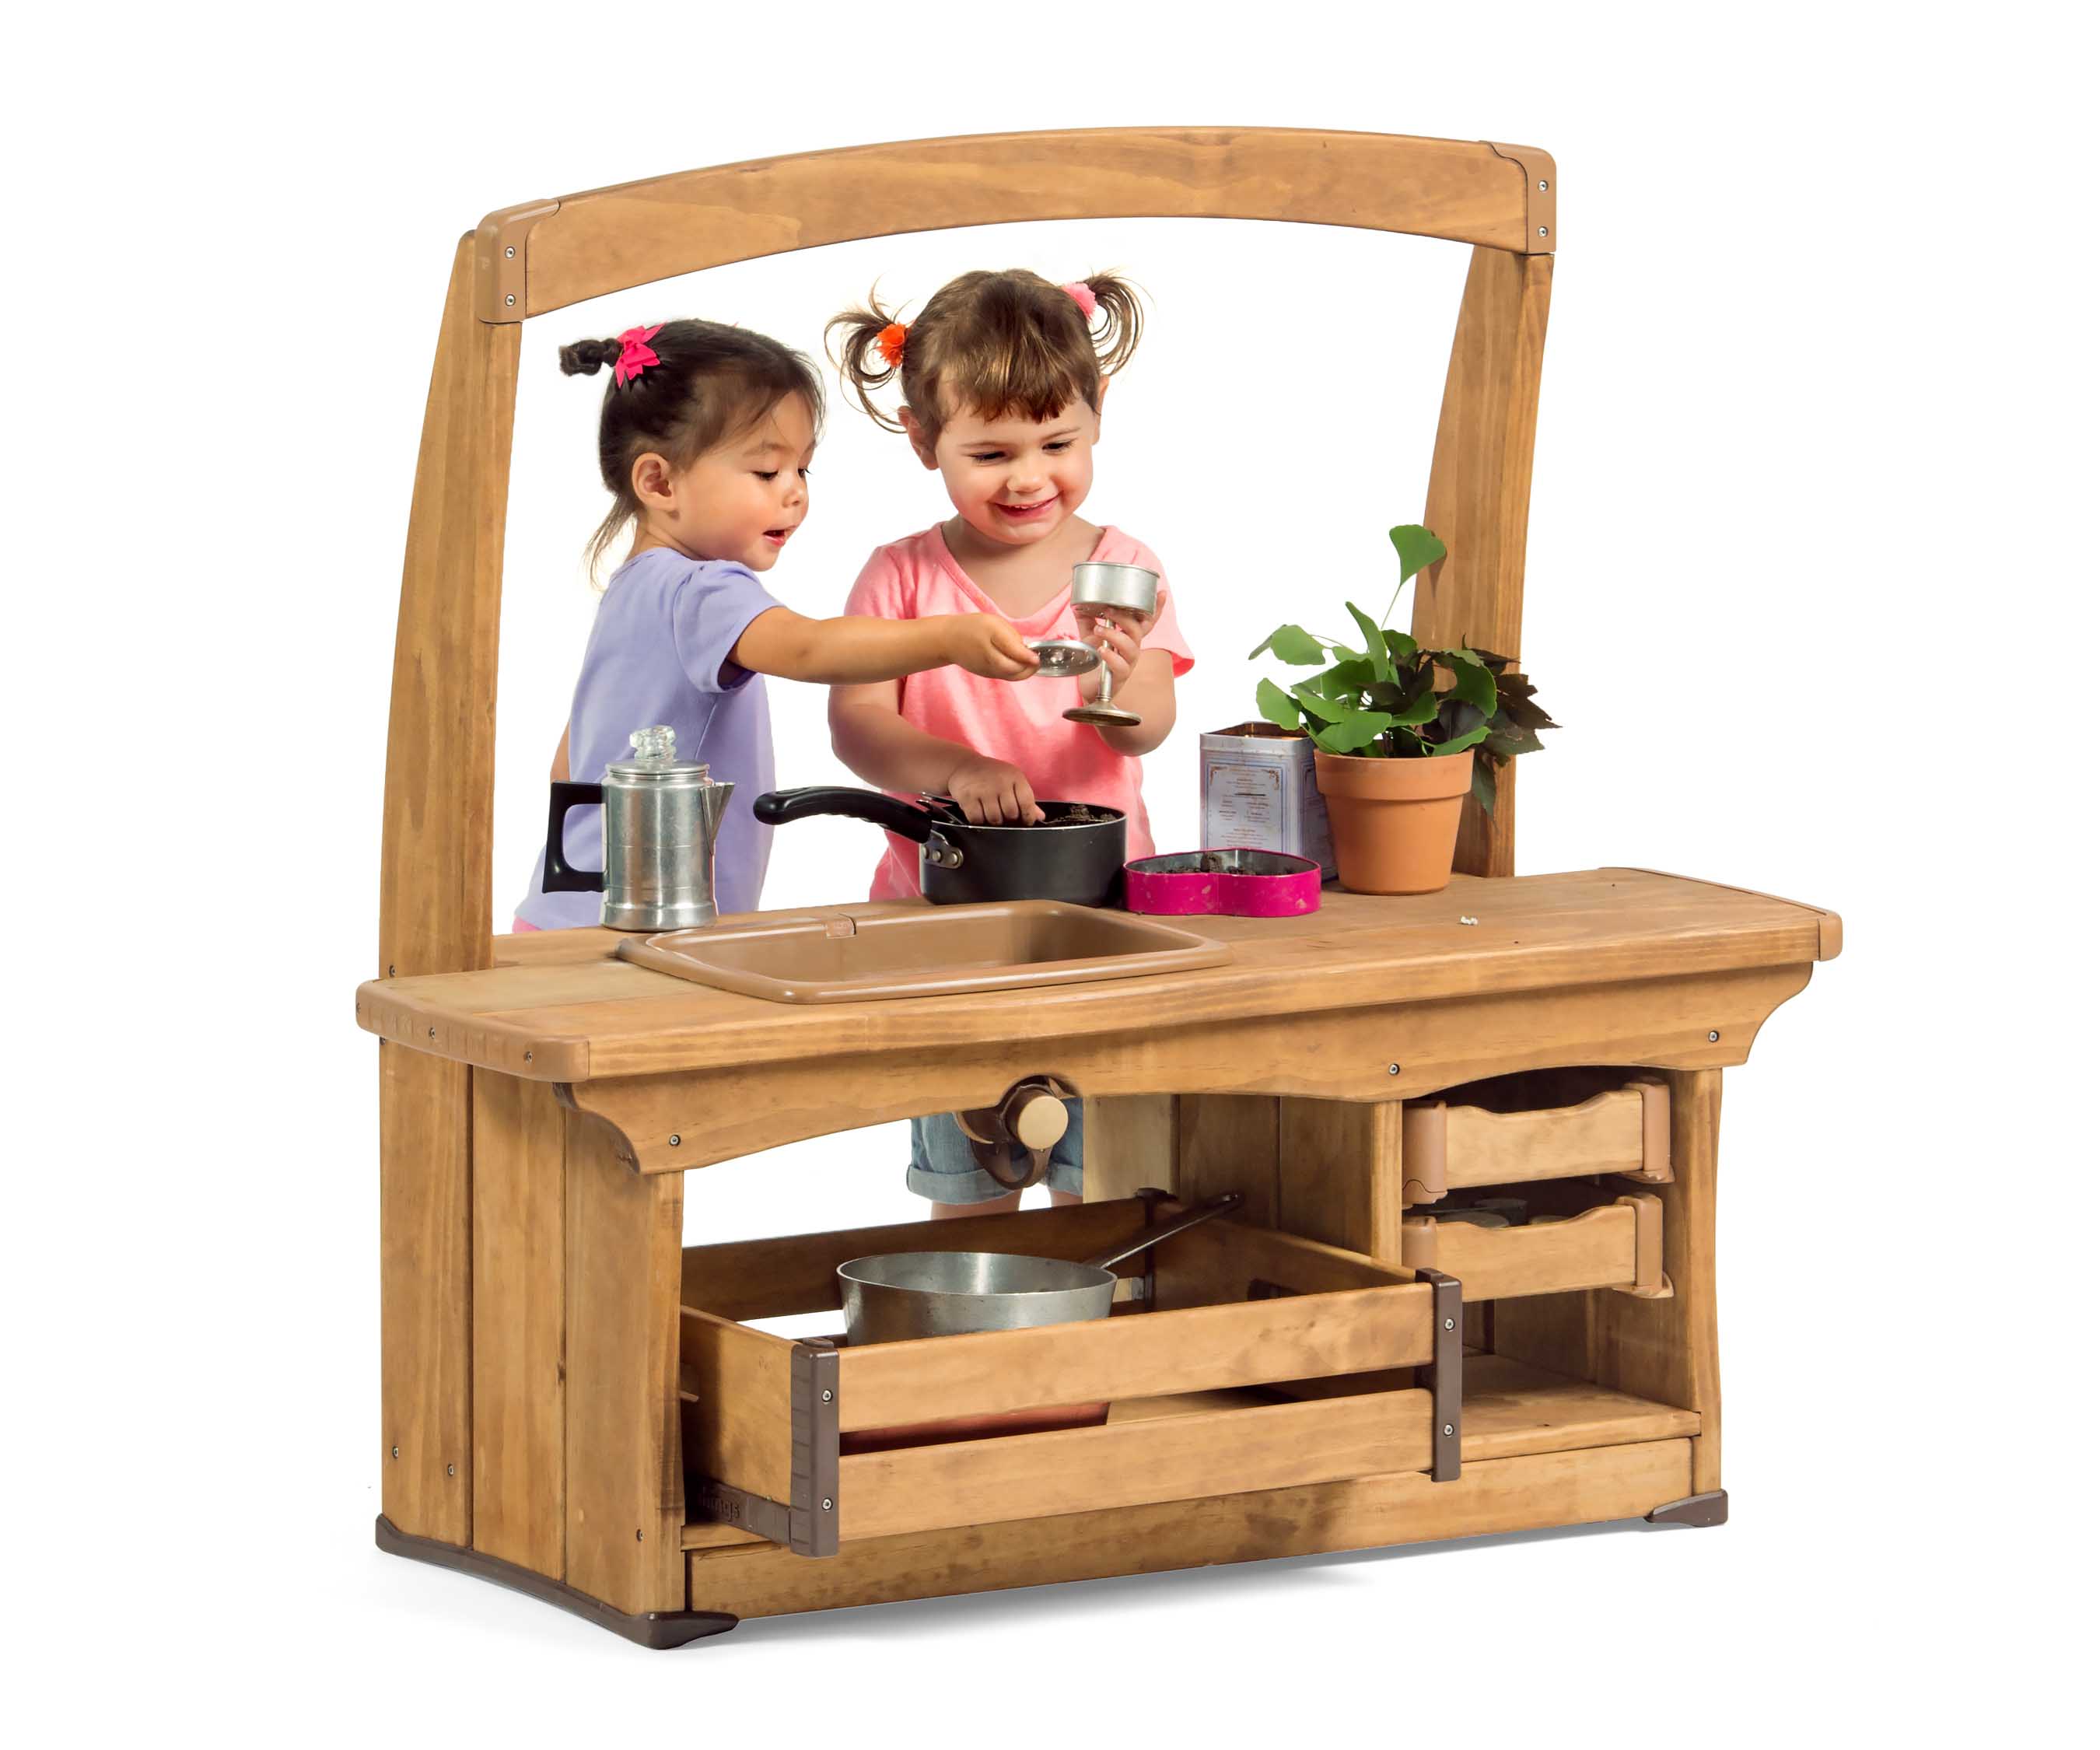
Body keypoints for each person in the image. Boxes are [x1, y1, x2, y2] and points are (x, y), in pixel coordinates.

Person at [825, 270, 1194, 1213]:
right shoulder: (901, 575)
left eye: (1057, 443)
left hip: (1102, 922)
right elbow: (857, 723)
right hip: (944, 929)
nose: (1030, 477)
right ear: (922, 440)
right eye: (991, 453)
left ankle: (1101, 1352)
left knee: (1101, 1185)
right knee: (970, 1182)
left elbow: (1152, 718)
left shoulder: (1125, 568)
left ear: (1098, 412)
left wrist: (1114, 679)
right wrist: (955, 768)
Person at [513, 317, 1038, 931]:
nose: (794, 494)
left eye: (802, 470)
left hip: (563, 916)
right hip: (640, 934)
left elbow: (569, 761)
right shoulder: (702, 588)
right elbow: (809, 648)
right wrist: (949, 637)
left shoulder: (634, 590)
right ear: (659, 482)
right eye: (767, 473)